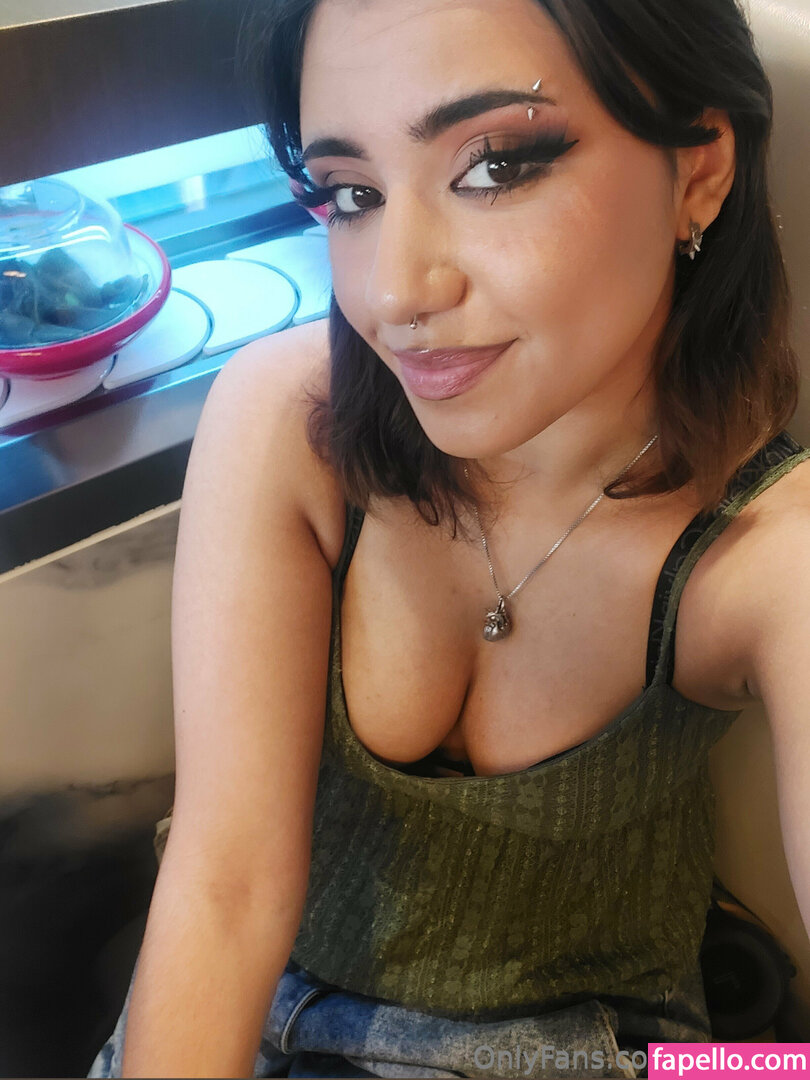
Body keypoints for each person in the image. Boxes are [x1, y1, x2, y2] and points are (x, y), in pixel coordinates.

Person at [87, 0, 810, 1076]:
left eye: (496, 166)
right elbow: (226, 886)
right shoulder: (291, 422)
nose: (394, 291)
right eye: (352, 194)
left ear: (699, 171)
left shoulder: (771, 549)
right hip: (262, 1014)